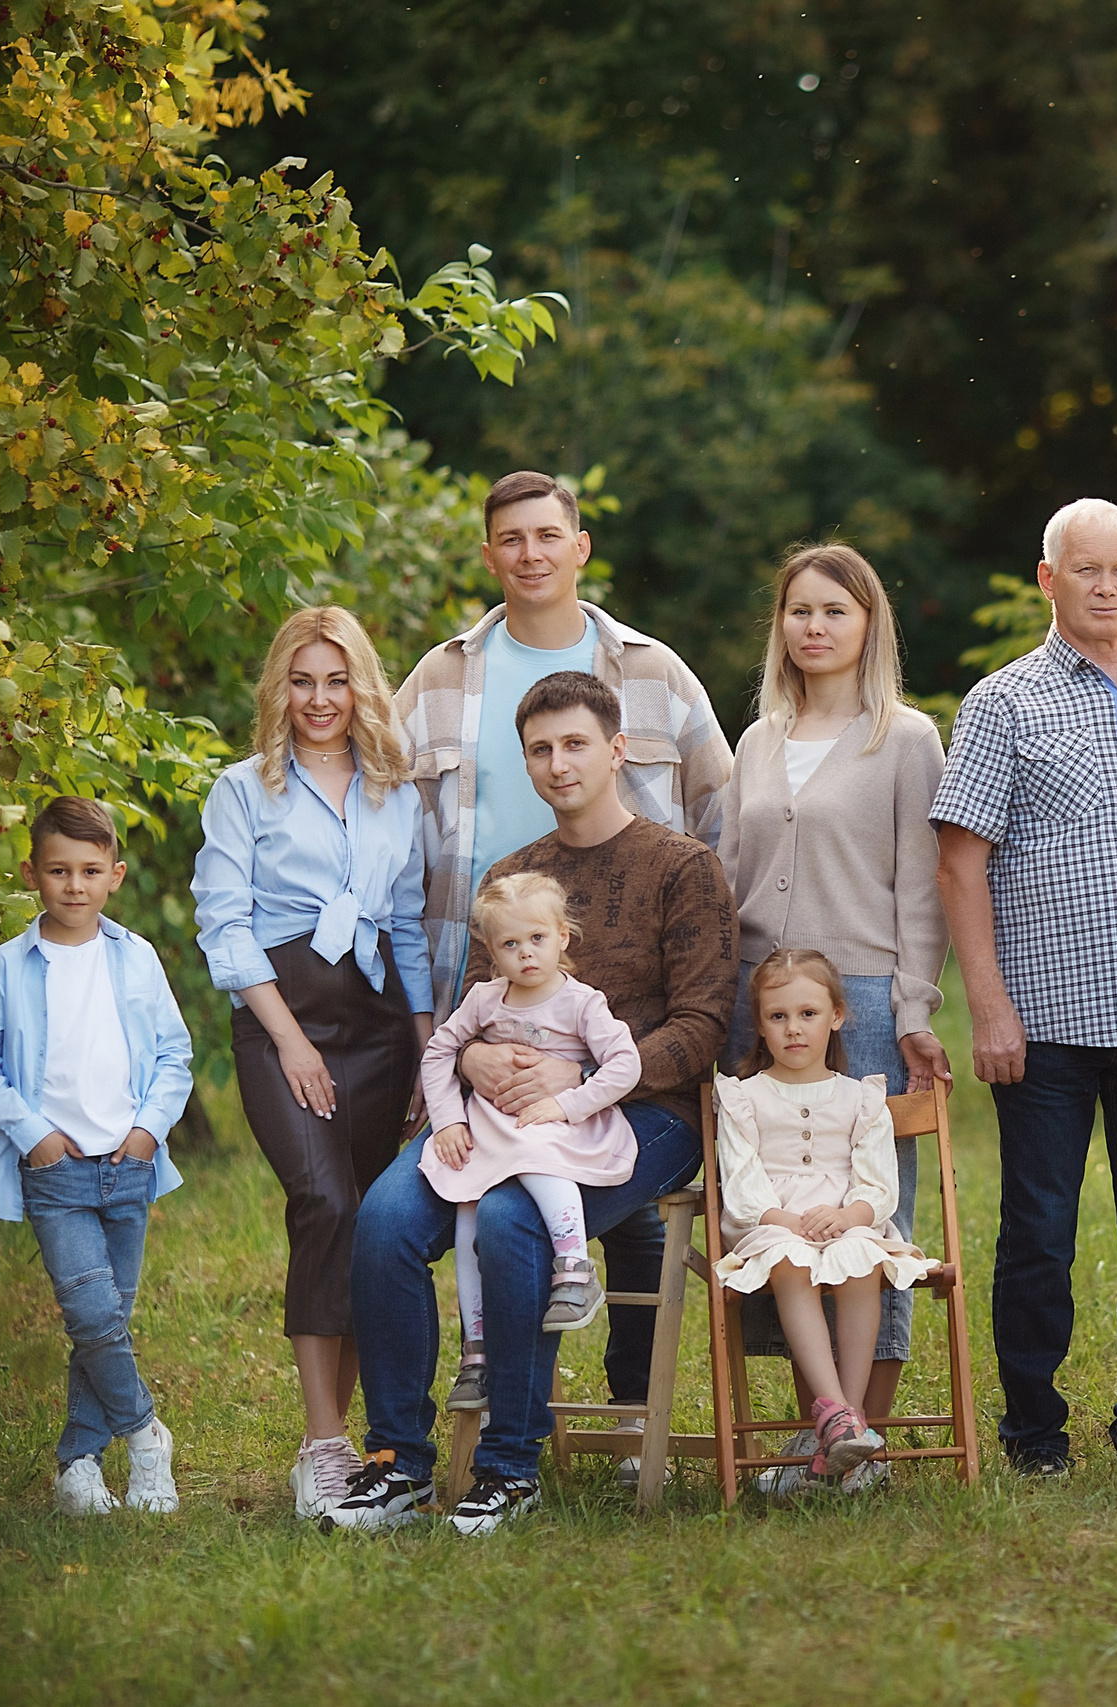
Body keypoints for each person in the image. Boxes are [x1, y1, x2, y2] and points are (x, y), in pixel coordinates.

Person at [335, 672, 735, 1536]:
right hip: (498, 1114)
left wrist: (581, 1077)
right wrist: (476, 1058)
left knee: (515, 1220)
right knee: (385, 1218)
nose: (559, 763)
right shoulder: (514, 876)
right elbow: (476, 1010)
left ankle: (508, 1467)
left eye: (576, 743)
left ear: (618, 749)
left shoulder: (683, 868)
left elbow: (702, 1026)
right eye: (541, 749)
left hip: (646, 1113)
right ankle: (397, 1464)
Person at [396, 469, 735, 1433]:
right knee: (466, 1204)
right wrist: (466, 1044)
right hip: (495, 982)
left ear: (580, 546)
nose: (532, 553)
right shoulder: (444, 676)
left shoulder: (655, 672)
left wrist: (698, 919)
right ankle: (481, 1409)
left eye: (551, 535)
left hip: (635, 988)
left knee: (612, 1216)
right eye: (512, 538)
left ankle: (621, 1415)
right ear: (490, 552)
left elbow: (722, 807)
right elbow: (390, 813)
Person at [931, 496, 1117, 1477]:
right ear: (1048, 580)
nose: (1104, 585)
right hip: (1044, 1020)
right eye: (1083, 569)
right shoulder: (1000, 703)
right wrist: (989, 1006)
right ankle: (1033, 1433)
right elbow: (960, 866)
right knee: (1040, 1236)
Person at [718, 542, 951, 1495]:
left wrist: (913, 1009)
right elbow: (732, 879)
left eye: (835, 611)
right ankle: (821, 1428)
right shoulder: (757, 741)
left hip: (859, 998)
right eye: (799, 611)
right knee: (773, 1218)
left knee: (868, 1214)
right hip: (760, 1001)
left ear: (868, 625)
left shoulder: (904, 738)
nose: (815, 627)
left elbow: (920, 893)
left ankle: (867, 1440)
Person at [192, 606, 432, 1520]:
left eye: (337, 680)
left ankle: (364, 1442)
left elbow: (405, 920)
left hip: (378, 1029)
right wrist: (288, 1037)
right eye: (302, 680)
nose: (320, 699)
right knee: (323, 1201)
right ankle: (322, 1444)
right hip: (280, 1018)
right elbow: (225, 921)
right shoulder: (243, 790)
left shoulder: (393, 791)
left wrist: (423, 1047)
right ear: (278, 689)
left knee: (370, 1221)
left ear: (361, 685)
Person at [0, 797, 194, 1516]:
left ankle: (78, 1464)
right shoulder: (2, 968)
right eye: (59, 870)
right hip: (54, 1170)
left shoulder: (137, 958)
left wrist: (149, 1129)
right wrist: (35, 1134)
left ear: (115, 874)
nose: (75, 884)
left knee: (108, 1317)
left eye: (91, 869)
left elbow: (173, 1054)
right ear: (32, 872)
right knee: (90, 1313)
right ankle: (147, 1435)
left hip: (128, 1162)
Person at [421, 873, 645, 1412]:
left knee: (539, 1159)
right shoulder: (485, 999)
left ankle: (575, 1266)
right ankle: (475, 1348)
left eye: (537, 939)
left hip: (555, 1125)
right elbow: (437, 1053)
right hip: (492, 1126)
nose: (525, 955)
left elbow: (626, 1064)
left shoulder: (581, 1003)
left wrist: (568, 1104)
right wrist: (448, 1120)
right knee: (467, 1210)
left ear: (563, 936)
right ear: (492, 953)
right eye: (510, 945)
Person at [712, 950, 933, 1483]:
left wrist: (851, 1214)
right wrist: (787, 1222)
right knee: (789, 1262)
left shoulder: (861, 1099)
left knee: (863, 1259)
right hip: (772, 1227)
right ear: (760, 1026)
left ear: (836, 1015)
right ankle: (837, 1414)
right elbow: (740, 1186)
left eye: (808, 1014)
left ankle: (846, 1422)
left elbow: (879, 1182)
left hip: (844, 1222)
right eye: (778, 1016)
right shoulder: (743, 1099)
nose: (794, 1029)